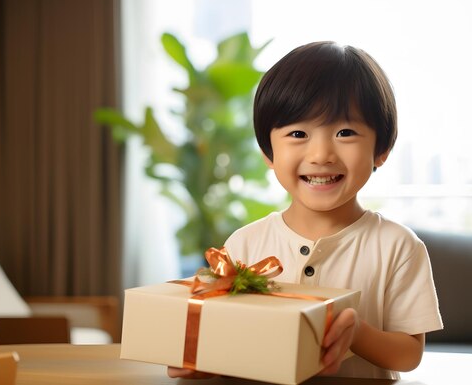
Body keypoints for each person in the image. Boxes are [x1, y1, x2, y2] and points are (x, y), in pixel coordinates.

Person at [169, 41, 443, 380]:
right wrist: (200, 359)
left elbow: (408, 354)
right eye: (298, 133)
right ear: (268, 152)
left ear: (381, 149)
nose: (321, 154)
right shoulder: (244, 243)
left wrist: (356, 332)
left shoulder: (398, 246)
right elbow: (229, 335)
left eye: (345, 132)